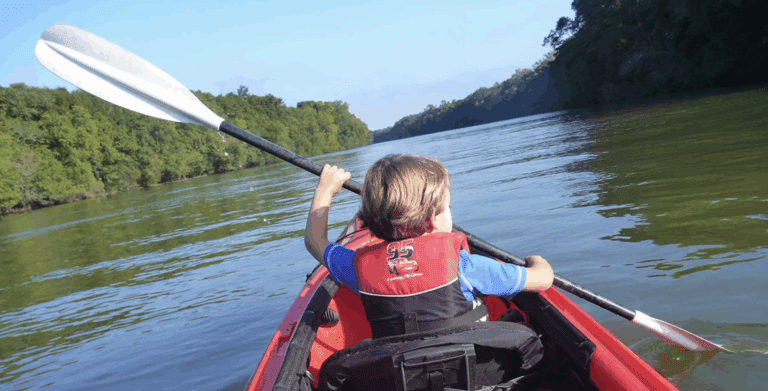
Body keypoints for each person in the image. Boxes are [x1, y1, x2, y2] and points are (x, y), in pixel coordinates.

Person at [304, 154, 554, 339]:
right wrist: (536, 260)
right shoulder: (465, 266)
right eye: (448, 207)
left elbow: (315, 241)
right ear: (431, 219)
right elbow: (543, 279)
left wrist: (325, 189)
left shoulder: (358, 268)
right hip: (480, 375)